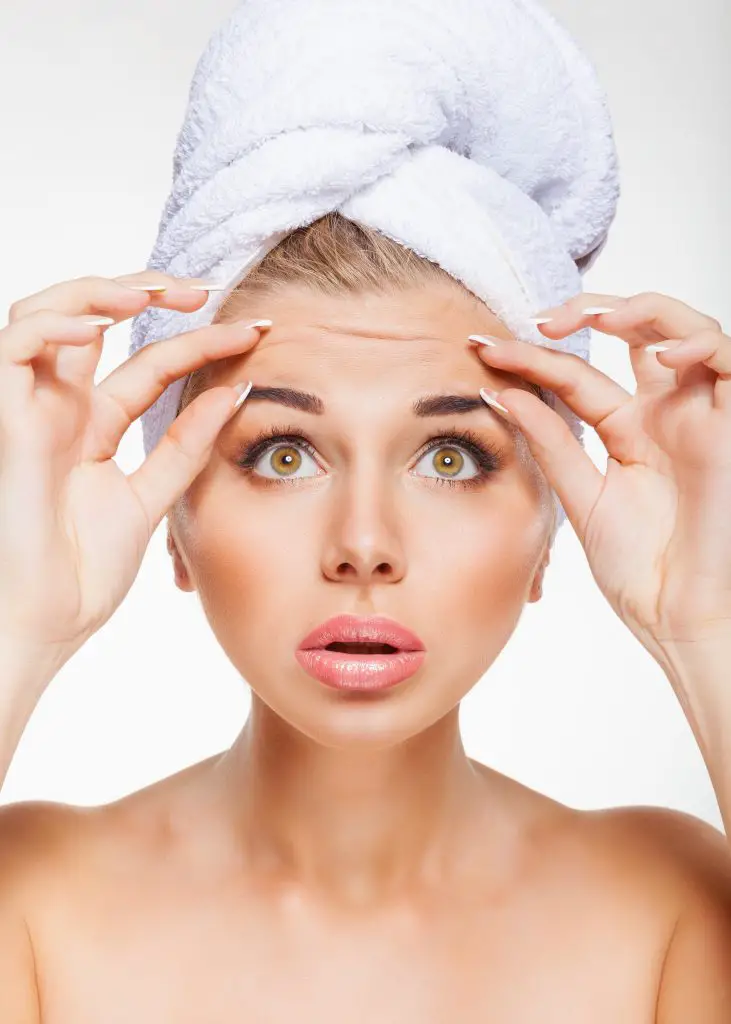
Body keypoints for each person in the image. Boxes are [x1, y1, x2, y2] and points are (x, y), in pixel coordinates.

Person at [1, 211, 730, 1022]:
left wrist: (707, 631)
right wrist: (17, 626)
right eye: (284, 454)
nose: (363, 544)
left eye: (449, 457)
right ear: (172, 524)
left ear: (549, 536)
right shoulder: (30, 903)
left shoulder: (668, 907)